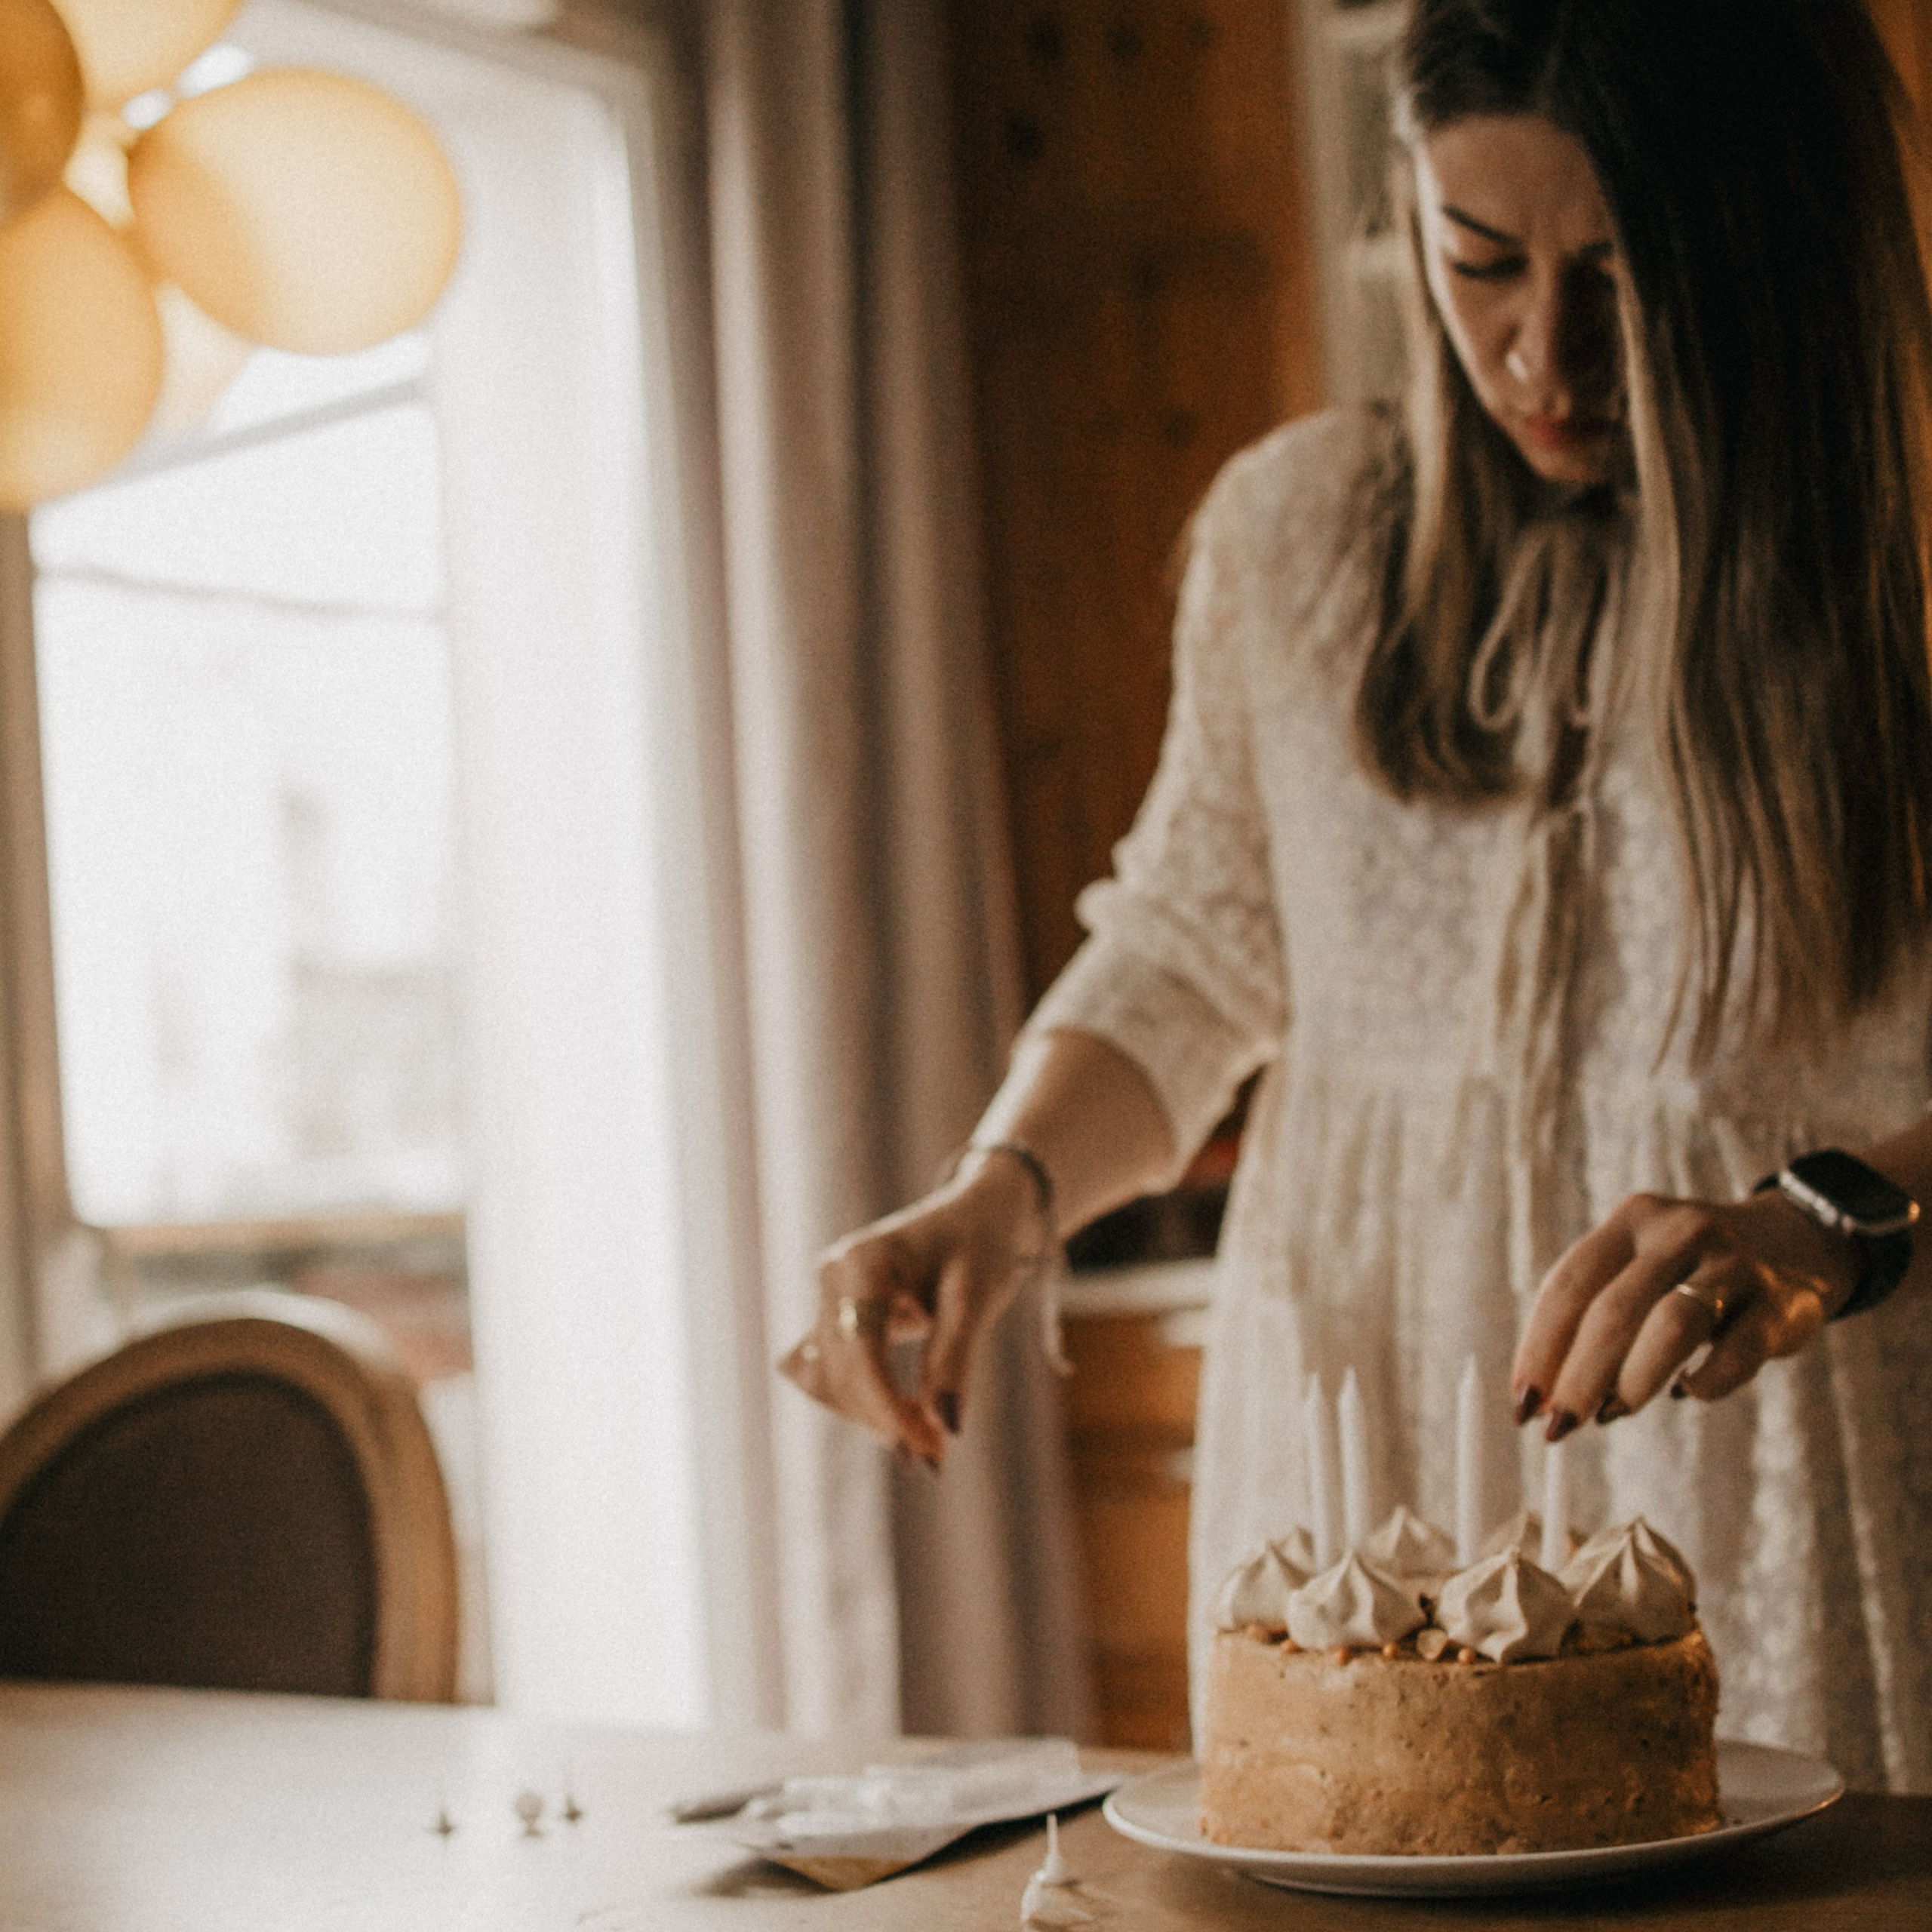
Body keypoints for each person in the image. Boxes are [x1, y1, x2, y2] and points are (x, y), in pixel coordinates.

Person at [781, 0, 1932, 1791]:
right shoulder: (1298, 533)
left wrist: (1819, 1222)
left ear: (1773, 245)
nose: (1538, 353)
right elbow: (1187, 949)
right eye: (1476, 261)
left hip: (1788, 1471)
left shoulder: (1904, 578)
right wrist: (999, 1187)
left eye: (1621, 278)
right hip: (1355, 1450)